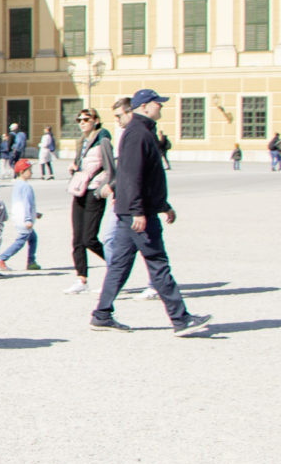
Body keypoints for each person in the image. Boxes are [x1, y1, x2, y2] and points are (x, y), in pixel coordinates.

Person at [90, 89, 211, 336]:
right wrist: (138, 210)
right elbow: (131, 176)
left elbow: (148, 178)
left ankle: (102, 314)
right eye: (158, 103)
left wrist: (162, 205)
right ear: (145, 106)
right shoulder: (137, 133)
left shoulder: (141, 131)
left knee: (119, 266)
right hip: (137, 213)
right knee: (157, 262)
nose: (161, 107)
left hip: (133, 210)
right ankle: (181, 319)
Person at [65, 108, 113, 294]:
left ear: (96, 120)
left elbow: (110, 165)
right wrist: (74, 168)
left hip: (95, 191)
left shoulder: (103, 137)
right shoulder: (81, 142)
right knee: (77, 238)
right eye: (79, 120)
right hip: (80, 189)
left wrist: (109, 186)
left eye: (86, 119)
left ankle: (115, 265)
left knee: (89, 238)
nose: (82, 122)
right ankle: (81, 279)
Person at [0, 159, 41, 271]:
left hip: (18, 216)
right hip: (24, 219)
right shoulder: (26, 186)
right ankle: (2, 258)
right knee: (21, 241)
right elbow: (27, 203)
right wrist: (28, 219)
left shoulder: (18, 184)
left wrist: (34, 214)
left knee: (33, 238)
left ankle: (31, 261)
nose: (31, 172)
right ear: (22, 172)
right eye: (29, 170)